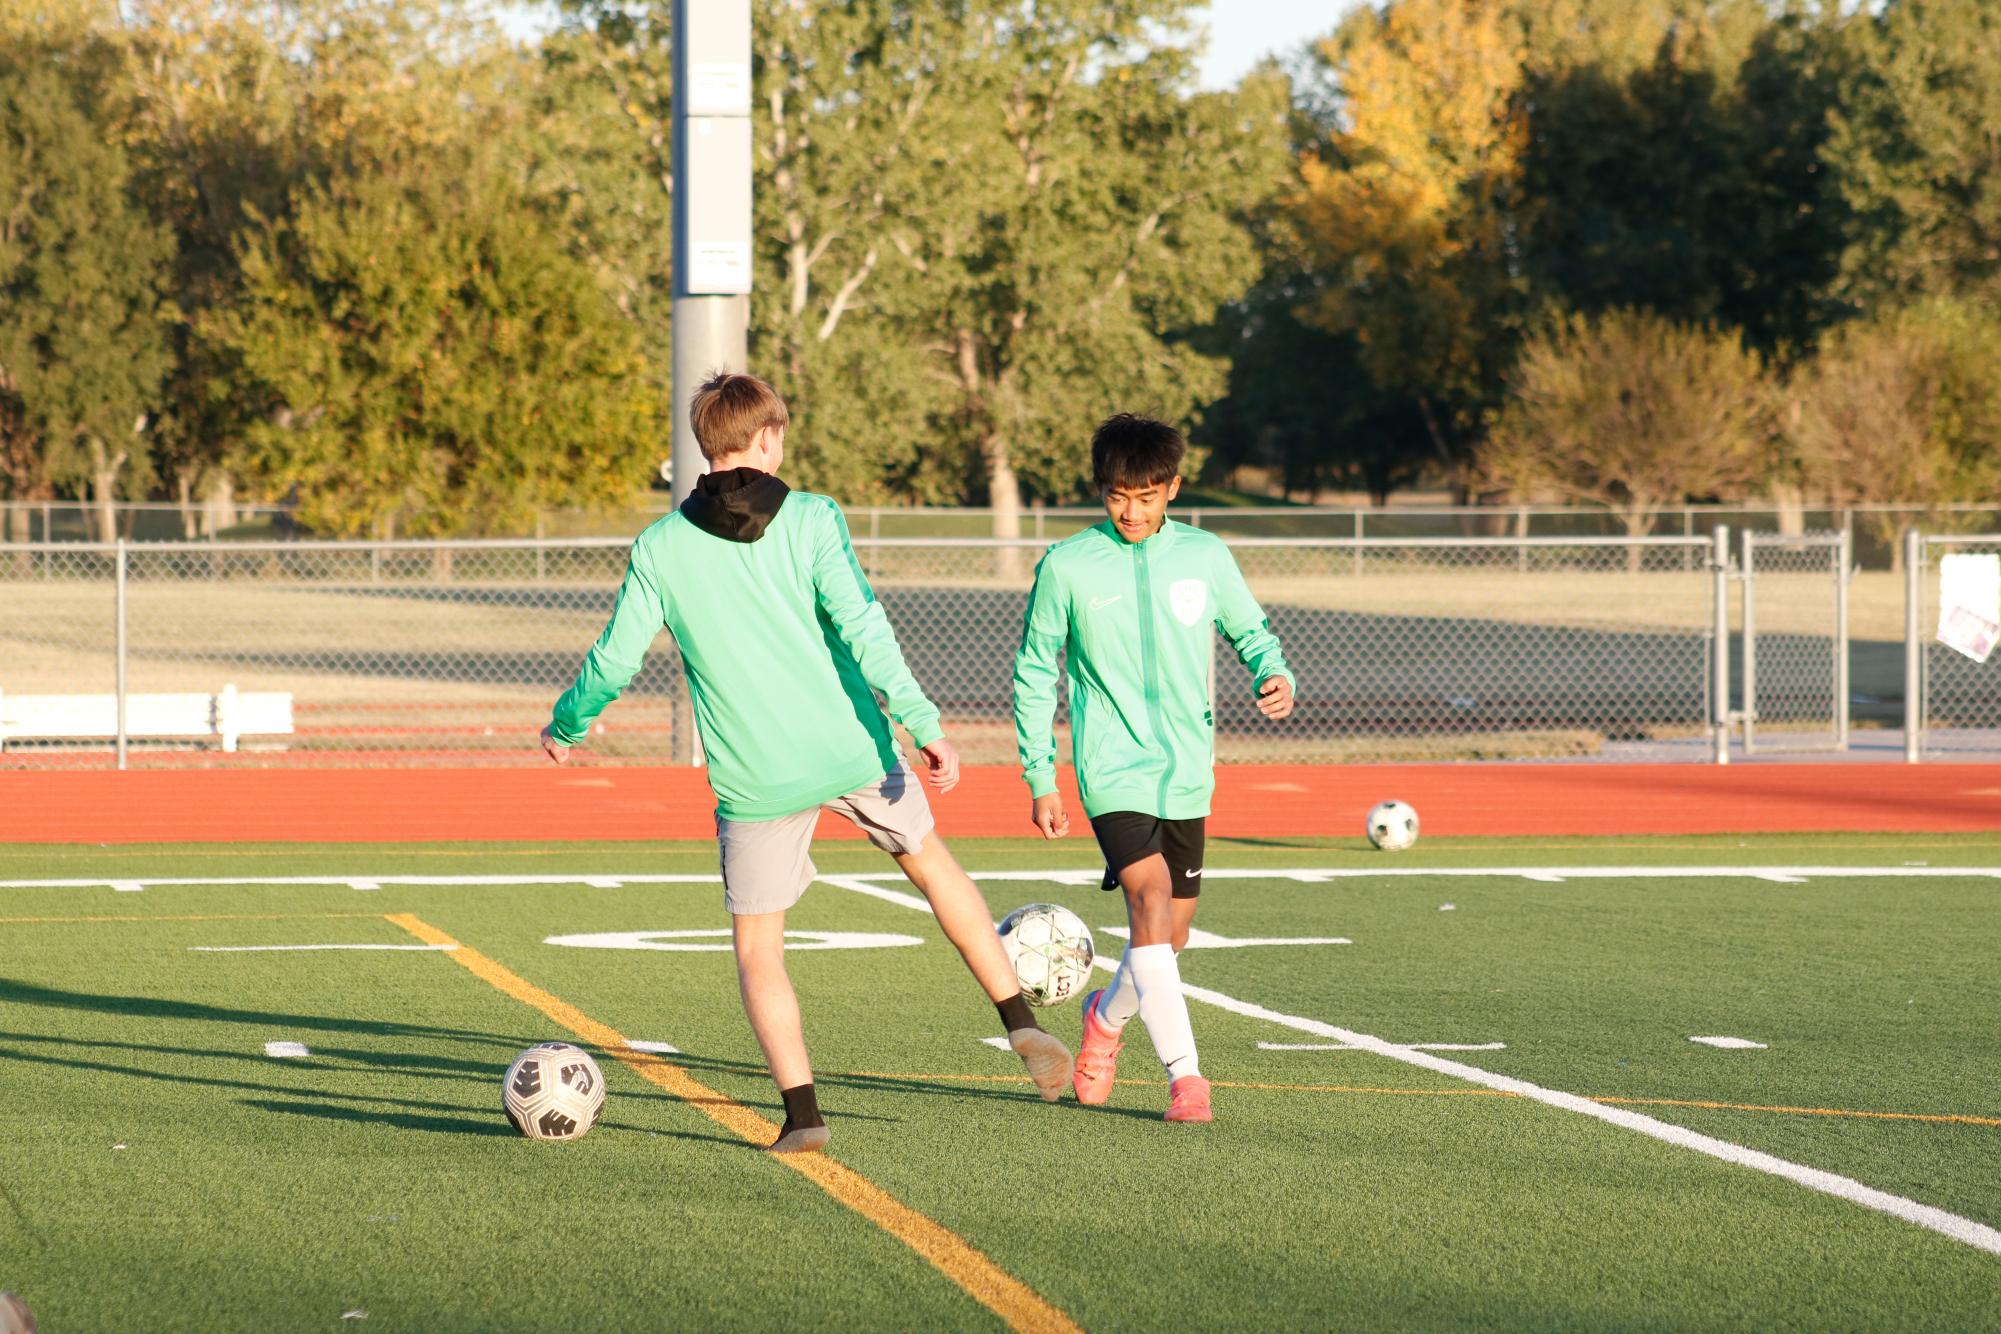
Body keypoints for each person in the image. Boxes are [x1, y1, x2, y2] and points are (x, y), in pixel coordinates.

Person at [541, 371, 1073, 1152]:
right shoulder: (814, 517)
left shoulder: (659, 546)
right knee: (936, 870)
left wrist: (569, 721)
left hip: (756, 777)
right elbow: (864, 625)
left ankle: (802, 1116)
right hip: (852, 744)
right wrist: (923, 722)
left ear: (705, 447)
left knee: (760, 952)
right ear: (769, 437)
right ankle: (1021, 1026)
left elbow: (616, 656)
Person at [1011, 413, 1295, 1123]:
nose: (1130, 512)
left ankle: (1104, 1020)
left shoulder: (1204, 556)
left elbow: (1250, 631)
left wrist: (1273, 671)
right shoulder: (1067, 565)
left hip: (1187, 771)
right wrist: (1040, 775)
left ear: (1172, 486)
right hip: (1111, 770)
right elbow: (1032, 670)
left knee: (1170, 935)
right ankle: (1185, 1079)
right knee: (1147, 902)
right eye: (1116, 497)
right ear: (1100, 491)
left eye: (1145, 496)